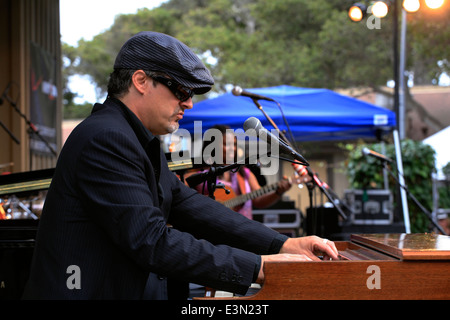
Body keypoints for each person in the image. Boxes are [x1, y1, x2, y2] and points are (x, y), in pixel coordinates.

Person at [22, 31, 338, 300]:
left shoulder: (134, 138)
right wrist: (262, 266)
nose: (188, 102)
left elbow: (190, 205)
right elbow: (151, 240)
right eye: (181, 90)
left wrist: (283, 242)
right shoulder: (106, 138)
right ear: (141, 81)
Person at [188, 124, 292, 220]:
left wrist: (278, 192)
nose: (232, 149)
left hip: (243, 231)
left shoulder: (243, 173)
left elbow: (259, 200)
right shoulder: (198, 172)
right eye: (226, 144)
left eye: (234, 144)